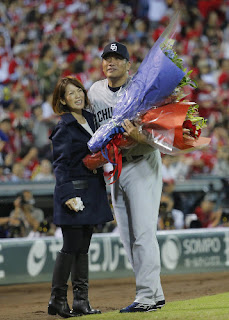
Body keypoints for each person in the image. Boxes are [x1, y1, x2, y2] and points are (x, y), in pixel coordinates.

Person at [88, 41, 165, 313]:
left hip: (143, 162)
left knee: (143, 232)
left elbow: (161, 135)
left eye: (117, 58)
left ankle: (145, 297)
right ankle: (155, 293)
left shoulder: (142, 89)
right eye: (107, 58)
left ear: (128, 64)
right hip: (116, 168)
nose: (111, 62)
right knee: (128, 236)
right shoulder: (95, 91)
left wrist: (140, 136)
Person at [48, 76, 113, 318]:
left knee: (83, 247)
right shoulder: (64, 126)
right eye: (71, 93)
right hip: (74, 193)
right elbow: (60, 165)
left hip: (92, 190)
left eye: (79, 91)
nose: (77, 96)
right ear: (62, 100)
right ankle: (57, 299)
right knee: (71, 247)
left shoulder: (91, 119)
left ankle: (81, 301)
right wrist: (67, 195)